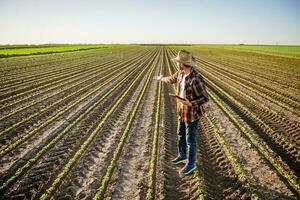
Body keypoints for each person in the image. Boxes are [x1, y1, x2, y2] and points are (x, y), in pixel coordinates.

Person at [153, 49, 209, 176]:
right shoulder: (180, 74)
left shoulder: (196, 78)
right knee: (180, 134)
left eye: (178, 62)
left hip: (192, 114)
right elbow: (170, 79)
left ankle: (190, 165)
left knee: (191, 140)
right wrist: (161, 78)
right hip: (181, 111)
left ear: (182, 63)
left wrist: (191, 103)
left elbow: (205, 98)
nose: (177, 63)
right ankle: (182, 155)